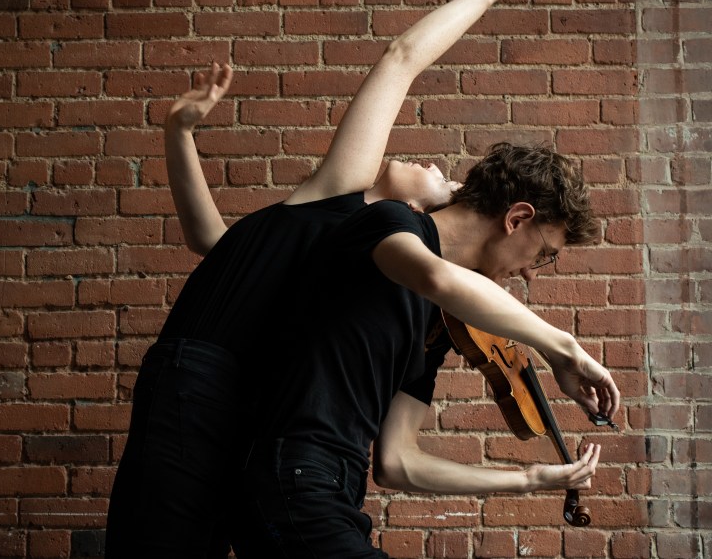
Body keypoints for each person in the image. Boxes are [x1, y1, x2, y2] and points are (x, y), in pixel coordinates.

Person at [104, 0, 612, 559]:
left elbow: (213, 241)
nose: (436, 168)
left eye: (444, 174)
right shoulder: (345, 196)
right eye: (434, 170)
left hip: (249, 393)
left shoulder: (335, 243)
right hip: (202, 372)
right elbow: (400, 61)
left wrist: (179, 134)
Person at [230, 141, 617, 558]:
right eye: (542, 253)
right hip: (289, 476)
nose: (528, 272)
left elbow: (396, 462)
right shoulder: (389, 223)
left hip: (333, 491)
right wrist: (564, 348)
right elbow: (436, 277)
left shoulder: (436, 322)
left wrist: (527, 479)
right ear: (517, 218)